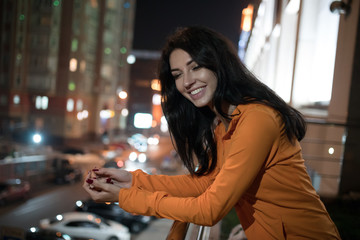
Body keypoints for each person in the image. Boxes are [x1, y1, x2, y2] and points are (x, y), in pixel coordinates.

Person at [83, 26, 341, 239]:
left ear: (218, 65)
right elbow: (207, 183)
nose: (187, 82)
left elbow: (210, 209)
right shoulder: (224, 124)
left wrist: (125, 197)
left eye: (196, 67)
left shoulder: (257, 119)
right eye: (178, 74)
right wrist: (132, 180)